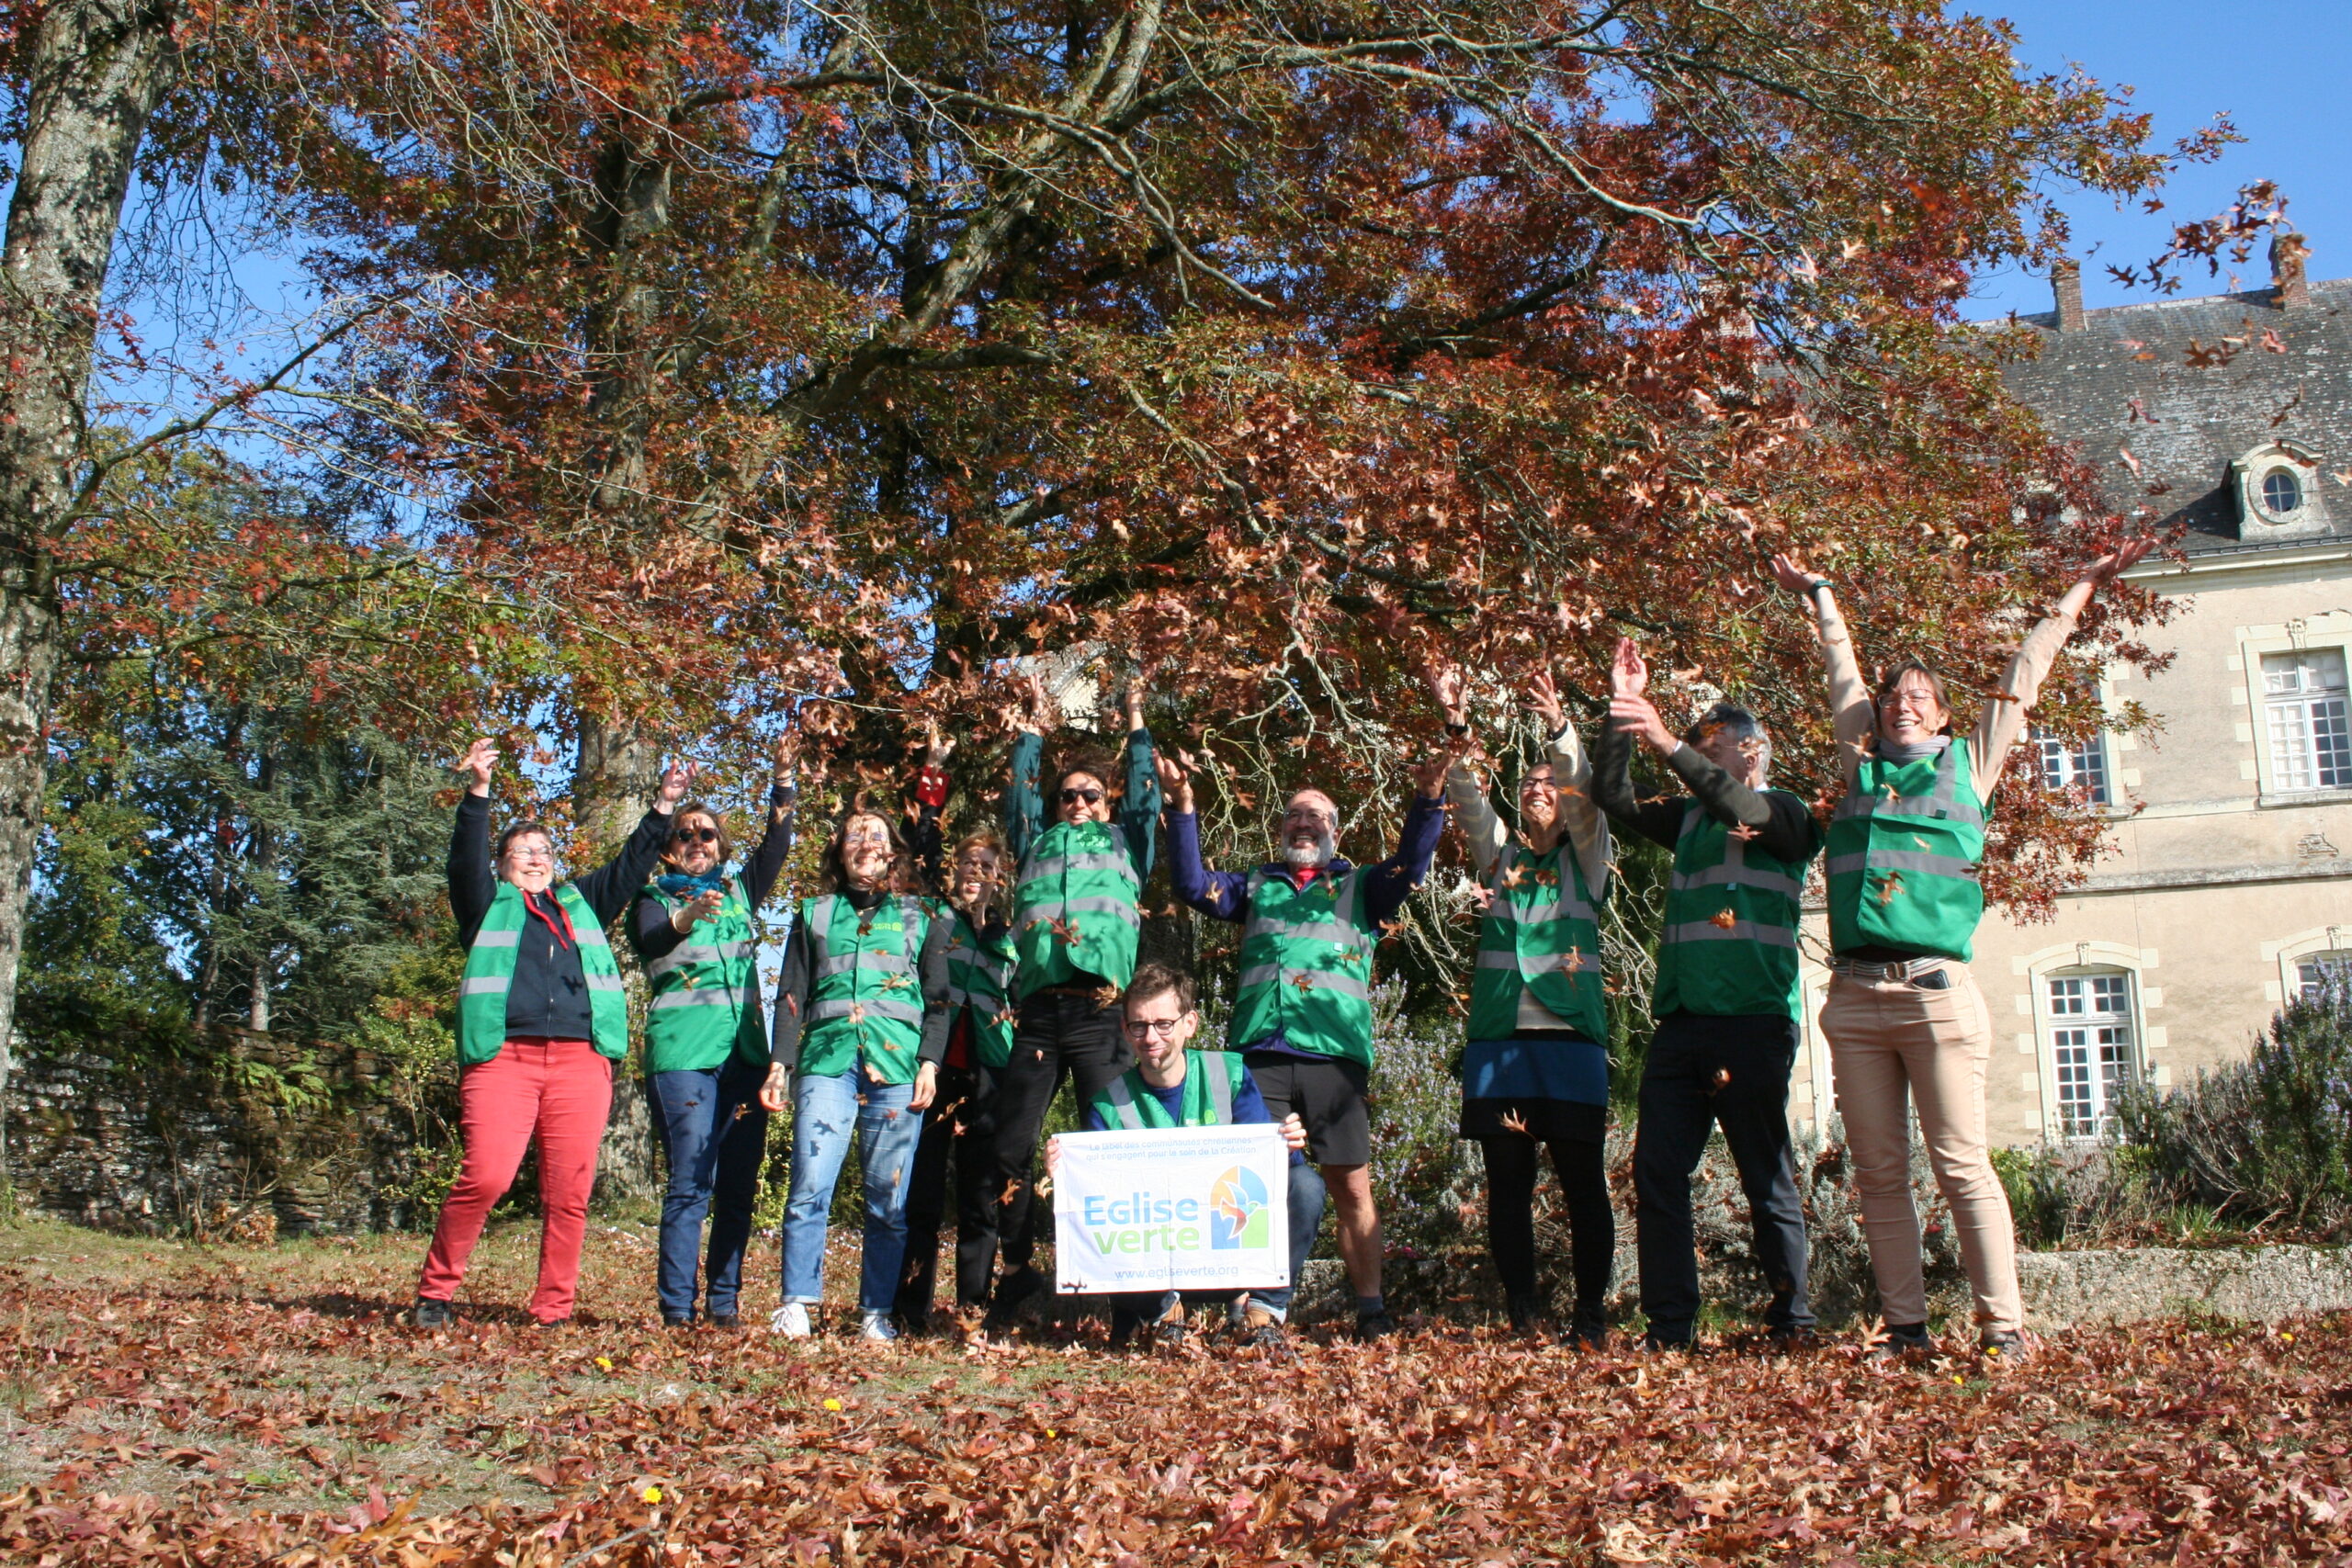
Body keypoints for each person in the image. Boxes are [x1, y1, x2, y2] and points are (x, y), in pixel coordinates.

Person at [1773, 538, 2154, 1359]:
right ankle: (1905, 1329)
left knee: (1960, 1164)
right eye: (1893, 697)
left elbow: (2025, 674)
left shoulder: (1969, 765)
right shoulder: (1860, 771)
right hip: (1856, 998)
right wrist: (1823, 596)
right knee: (1879, 1173)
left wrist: (2081, 589)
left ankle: (2003, 1326)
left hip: (1937, 995)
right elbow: (1841, 676)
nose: (1901, 704)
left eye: (1919, 697)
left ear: (1943, 715)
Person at [1161, 743, 1449, 1340]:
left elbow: (1413, 862)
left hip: (1333, 1059)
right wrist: (1184, 804)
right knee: (1254, 1182)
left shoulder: (1365, 887)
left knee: (1350, 1183)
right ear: (1279, 828)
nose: (1304, 823)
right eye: (1294, 814)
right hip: (1259, 1055)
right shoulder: (1257, 885)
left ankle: (1370, 1307)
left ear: (1336, 833)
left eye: (1317, 816)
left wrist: (1429, 798)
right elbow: (1192, 884)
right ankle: (1252, 1302)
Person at [415, 737, 692, 1329]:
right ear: (503, 864)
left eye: (542, 849)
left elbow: (629, 866)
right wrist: (478, 794)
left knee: (569, 1191)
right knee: (485, 1175)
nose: (535, 858)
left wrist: (664, 807)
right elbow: (464, 861)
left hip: (580, 1063)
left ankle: (552, 1308)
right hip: (502, 1058)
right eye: (520, 851)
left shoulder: (580, 902)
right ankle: (435, 1293)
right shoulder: (486, 903)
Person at [1592, 637, 1822, 1351]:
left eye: (1709, 744)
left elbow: (1734, 803)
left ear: (1751, 751)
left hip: (1754, 1023)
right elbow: (1612, 796)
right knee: (1658, 1172)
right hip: (1683, 1023)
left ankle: (1792, 1320)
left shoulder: (1789, 815)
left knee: (1766, 1176)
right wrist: (1622, 713)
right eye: (1694, 744)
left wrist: (1663, 738)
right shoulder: (1687, 816)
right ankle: (1671, 1326)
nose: (1696, 755)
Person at [1428, 662, 1616, 1347]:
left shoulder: (1588, 857)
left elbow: (1589, 799)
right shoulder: (1501, 857)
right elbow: (1468, 797)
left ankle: (1589, 1315)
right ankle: (1523, 1312)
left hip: (1570, 1043)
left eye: (1550, 783)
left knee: (1580, 1181)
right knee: (1507, 1182)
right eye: (1529, 783)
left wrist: (1560, 730)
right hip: (1500, 1044)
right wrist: (1456, 721)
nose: (1539, 789)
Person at [987, 673, 1163, 1325]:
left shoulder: (1126, 843)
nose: (1079, 804)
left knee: (1113, 1142)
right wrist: (1031, 725)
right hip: (1037, 1012)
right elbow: (1019, 800)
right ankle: (1018, 1270)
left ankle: (1127, 1296)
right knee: (1010, 1146)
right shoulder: (1035, 843)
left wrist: (1137, 717)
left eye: (1090, 795)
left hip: (1099, 1010)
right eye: (1068, 796)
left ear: (1107, 802)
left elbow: (1147, 797)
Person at [1045, 962, 1320, 1356]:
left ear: (1189, 1023)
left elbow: (1274, 1177)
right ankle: (1163, 1316)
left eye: (1163, 1024)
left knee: (1307, 1186)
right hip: (1154, 1267)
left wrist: (1287, 1146)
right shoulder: (1107, 1104)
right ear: (1125, 1030)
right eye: (1138, 1025)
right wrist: (1064, 1175)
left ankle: (1261, 1313)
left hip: (1227, 1247)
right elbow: (1094, 1205)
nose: (1150, 1036)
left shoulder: (1230, 1075)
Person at [628, 729, 801, 1328]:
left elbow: (776, 845)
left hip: (744, 1059)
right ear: (670, 848)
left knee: (736, 1188)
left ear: (719, 846)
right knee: (689, 1184)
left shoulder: (736, 894)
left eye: (707, 833)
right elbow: (654, 937)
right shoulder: (650, 897)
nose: (697, 840)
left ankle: (724, 1307)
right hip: (684, 1058)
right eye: (686, 833)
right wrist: (684, 914)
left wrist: (782, 780)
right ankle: (679, 1310)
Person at [760, 805, 948, 1340]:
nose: (865, 843)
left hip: (896, 1068)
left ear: (893, 850)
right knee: (810, 1184)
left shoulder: (920, 916)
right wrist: (781, 1063)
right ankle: (796, 1304)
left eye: (876, 835)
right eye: (853, 835)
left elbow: (939, 1000)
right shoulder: (814, 912)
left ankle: (876, 1314)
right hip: (827, 1063)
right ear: (838, 851)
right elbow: (791, 993)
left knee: (888, 1197)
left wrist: (930, 1062)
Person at [894, 726, 1021, 1331]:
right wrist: (935, 768)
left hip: (989, 1076)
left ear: (1000, 878)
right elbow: (921, 840)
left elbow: (1020, 1006)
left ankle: (975, 1310)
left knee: (979, 1199)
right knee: (920, 1196)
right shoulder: (931, 917)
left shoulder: (1008, 937)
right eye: (968, 861)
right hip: (932, 1069)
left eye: (987, 864)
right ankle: (908, 1309)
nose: (976, 869)